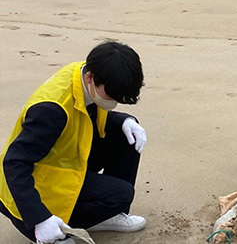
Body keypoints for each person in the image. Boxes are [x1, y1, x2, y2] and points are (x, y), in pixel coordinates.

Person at [0, 42, 147, 244]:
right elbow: (14, 163)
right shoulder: (51, 110)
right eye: (112, 95)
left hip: (65, 162)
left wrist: (124, 120)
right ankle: (53, 226)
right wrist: (40, 219)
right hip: (31, 193)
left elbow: (86, 115)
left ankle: (104, 215)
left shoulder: (89, 72)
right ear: (90, 78)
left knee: (128, 135)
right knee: (121, 194)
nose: (113, 102)